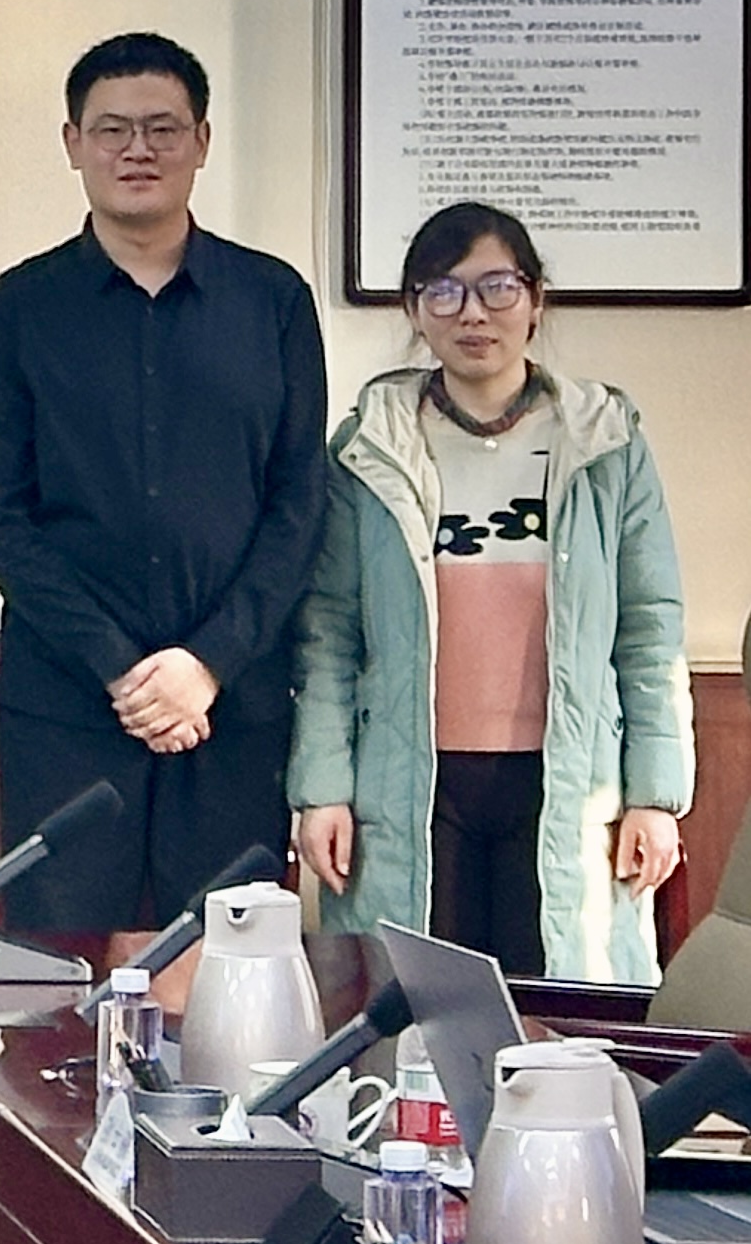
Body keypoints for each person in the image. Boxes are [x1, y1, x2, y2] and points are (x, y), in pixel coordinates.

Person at [0, 33, 327, 933]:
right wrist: (121, 668)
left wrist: (206, 663)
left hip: (231, 708)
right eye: (112, 129)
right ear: (72, 142)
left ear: (201, 141)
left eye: (162, 128)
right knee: (59, 966)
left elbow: (296, 503)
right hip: (66, 707)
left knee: (227, 968)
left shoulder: (272, 300)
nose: (137, 149)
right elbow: (0, 517)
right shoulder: (18, 308)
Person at [289, 204, 688, 983]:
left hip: (565, 779)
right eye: (443, 290)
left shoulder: (604, 443)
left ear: (535, 300)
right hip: (410, 783)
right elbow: (328, 631)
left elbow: (648, 628)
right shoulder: (370, 447)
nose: (471, 312)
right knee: (417, 1004)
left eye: (497, 286)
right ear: (413, 309)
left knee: (556, 1005)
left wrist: (654, 795)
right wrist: (321, 789)